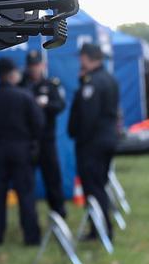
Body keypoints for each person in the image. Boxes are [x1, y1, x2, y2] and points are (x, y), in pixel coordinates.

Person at [0, 56, 45, 245]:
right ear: (12, 74)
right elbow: (39, 123)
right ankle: (31, 236)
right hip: (21, 151)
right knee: (26, 194)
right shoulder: (24, 96)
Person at [67, 42, 120, 241]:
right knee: (99, 184)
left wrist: (80, 138)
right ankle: (99, 228)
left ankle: (102, 229)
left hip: (92, 143)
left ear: (87, 58)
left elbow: (88, 117)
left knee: (93, 187)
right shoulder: (109, 78)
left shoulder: (93, 83)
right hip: (106, 140)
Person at [22, 49, 68, 219]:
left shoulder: (51, 84)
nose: (34, 69)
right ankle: (29, 219)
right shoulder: (22, 85)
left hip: (47, 140)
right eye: (31, 66)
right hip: (28, 140)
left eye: (37, 65)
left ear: (43, 65)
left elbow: (60, 105)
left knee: (53, 178)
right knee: (26, 181)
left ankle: (58, 213)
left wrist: (46, 105)